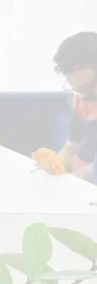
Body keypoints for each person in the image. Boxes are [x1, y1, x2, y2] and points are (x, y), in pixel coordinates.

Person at [54, 31, 97, 180]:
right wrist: (54, 168)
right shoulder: (81, 101)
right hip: (74, 179)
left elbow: (93, 171)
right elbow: (70, 146)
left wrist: (70, 182)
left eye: (75, 67)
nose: (68, 76)